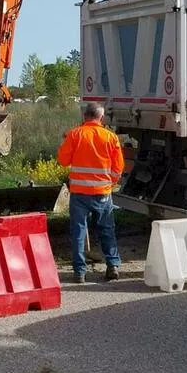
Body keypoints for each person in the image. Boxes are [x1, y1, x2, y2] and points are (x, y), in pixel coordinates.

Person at [56, 102, 124, 284]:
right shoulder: (110, 137)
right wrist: (110, 183)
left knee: (78, 231)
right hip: (102, 192)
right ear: (101, 118)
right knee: (107, 229)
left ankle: (80, 272)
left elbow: (62, 160)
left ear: (84, 116)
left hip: (79, 193)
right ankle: (113, 266)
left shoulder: (75, 134)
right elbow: (118, 168)